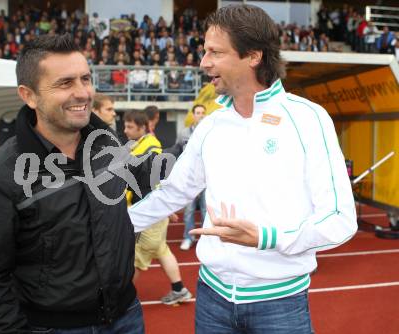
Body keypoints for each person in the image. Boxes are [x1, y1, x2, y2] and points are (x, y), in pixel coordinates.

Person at [129, 5, 357, 333]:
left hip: (279, 304)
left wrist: (266, 238)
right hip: (211, 298)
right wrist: (118, 224)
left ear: (253, 56)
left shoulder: (308, 118)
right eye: (204, 51)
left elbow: (340, 219)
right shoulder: (211, 125)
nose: (204, 62)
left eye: (215, 52)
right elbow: (175, 191)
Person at [0, 33, 145, 334]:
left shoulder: (110, 148)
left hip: (127, 317)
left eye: (85, 79)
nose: (83, 93)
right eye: (65, 83)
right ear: (28, 95)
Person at [124, 110, 192, 305]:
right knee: (161, 250)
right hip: (149, 209)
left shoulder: (151, 147)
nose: (125, 130)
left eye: (129, 127)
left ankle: (121, 300)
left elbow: (154, 179)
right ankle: (179, 289)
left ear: (142, 128)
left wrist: (165, 209)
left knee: (136, 258)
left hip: (148, 211)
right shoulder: (138, 144)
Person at [176, 104, 207, 251]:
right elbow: (177, 153)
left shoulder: (210, 133)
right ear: (193, 115)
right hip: (189, 180)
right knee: (188, 211)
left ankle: (207, 239)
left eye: (202, 113)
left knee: (206, 211)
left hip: (206, 180)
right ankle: (188, 237)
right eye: (198, 113)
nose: (200, 115)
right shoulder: (183, 133)